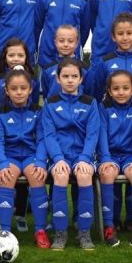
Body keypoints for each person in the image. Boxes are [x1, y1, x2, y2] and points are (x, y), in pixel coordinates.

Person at [42, 58, 100, 250]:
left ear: (81, 79)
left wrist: (85, 158)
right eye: (65, 76)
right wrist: (58, 159)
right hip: (59, 155)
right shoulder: (50, 104)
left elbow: (92, 135)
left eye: (74, 76)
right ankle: (60, 232)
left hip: (83, 155)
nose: (70, 80)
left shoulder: (90, 103)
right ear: (58, 79)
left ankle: (84, 232)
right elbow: (49, 135)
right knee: (60, 175)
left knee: (84, 175)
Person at [0, 69, 50, 248]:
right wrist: (2, 163)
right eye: (14, 88)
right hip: (10, 157)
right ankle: (4, 232)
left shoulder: (38, 111)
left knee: (37, 176)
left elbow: (42, 139)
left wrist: (40, 161)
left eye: (23, 88)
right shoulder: (0, 111)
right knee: (7, 176)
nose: (19, 92)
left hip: (31, 156)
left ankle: (40, 231)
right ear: (6, 90)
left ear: (30, 89)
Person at [97, 70, 132, 247]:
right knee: (107, 174)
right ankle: (109, 226)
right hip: (109, 155)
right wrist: (105, 158)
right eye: (116, 88)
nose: (121, 92)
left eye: (125, 88)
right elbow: (101, 134)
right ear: (109, 91)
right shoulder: (103, 107)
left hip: (130, 156)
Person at [89, 12, 132, 105]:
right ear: (113, 37)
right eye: (120, 34)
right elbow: (98, 91)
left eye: (129, 33)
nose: (125, 38)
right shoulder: (105, 62)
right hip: (111, 113)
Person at [41, 24, 90, 100]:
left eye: (70, 41)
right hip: (54, 107)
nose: (66, 44)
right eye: (61, 41)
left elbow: (88, 92)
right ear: (55, 42)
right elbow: (46, 93)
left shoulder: (84, 69)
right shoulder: (48, 69)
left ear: (77, 43)